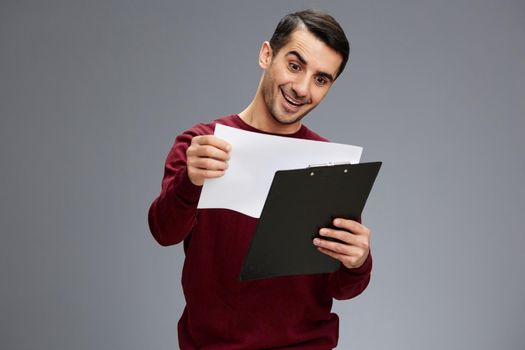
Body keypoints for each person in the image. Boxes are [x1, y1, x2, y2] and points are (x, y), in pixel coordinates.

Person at [148, 9, 372, 349]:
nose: (302, 88)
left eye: (321, 79)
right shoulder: (201, 144)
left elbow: (341, 289)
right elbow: (164, 232)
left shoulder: (329, 165)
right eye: (295, 66)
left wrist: (357, 262)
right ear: (267, 54)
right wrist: (190, 182)